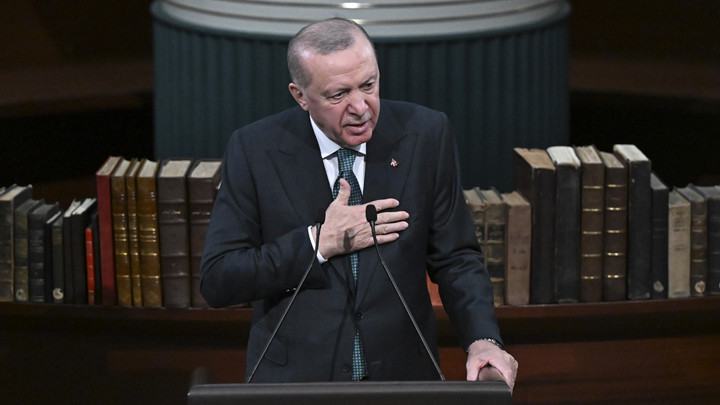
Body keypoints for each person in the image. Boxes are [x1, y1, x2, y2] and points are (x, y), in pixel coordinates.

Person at [199, 17, 517, 389]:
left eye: (369, 85)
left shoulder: (426, 134)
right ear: (301, 96)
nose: (361, 107)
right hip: (298, 383)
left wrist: (483, 339)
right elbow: (219, 279)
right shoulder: (255, 149)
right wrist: (318, 243)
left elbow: (456, 257)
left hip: (402, 379)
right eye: (338, 95)